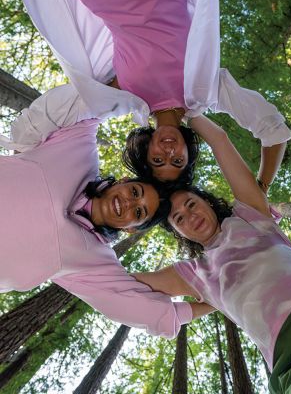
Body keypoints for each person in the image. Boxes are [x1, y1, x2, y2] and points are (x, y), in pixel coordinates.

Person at [0, 86, 213, 338]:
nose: (129, 203)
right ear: (123, 181)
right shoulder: (78, 152)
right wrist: (148, 101)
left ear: (131, 228)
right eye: (134, 192)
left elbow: (142, 310)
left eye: (138, 212)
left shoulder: (93, 261)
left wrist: (217, 301)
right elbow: (90, 99)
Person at [133, 115, 291, 392]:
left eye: (191, 204)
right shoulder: (194, 274)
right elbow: (128, 284)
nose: (189, 216)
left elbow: (219, 140)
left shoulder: (248, 214)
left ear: (207, 202)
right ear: (180, 234)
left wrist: (181, 113)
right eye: (179, 219)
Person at [19, 0, 291, 184]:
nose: (168, 153)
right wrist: (261, 189)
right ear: (188, 153)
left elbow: (61, 109)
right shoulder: (204, 92)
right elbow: (273, 128)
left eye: (158, 161)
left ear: (147, 150)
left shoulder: (125, 97)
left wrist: (23, 144)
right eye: (177, 161)